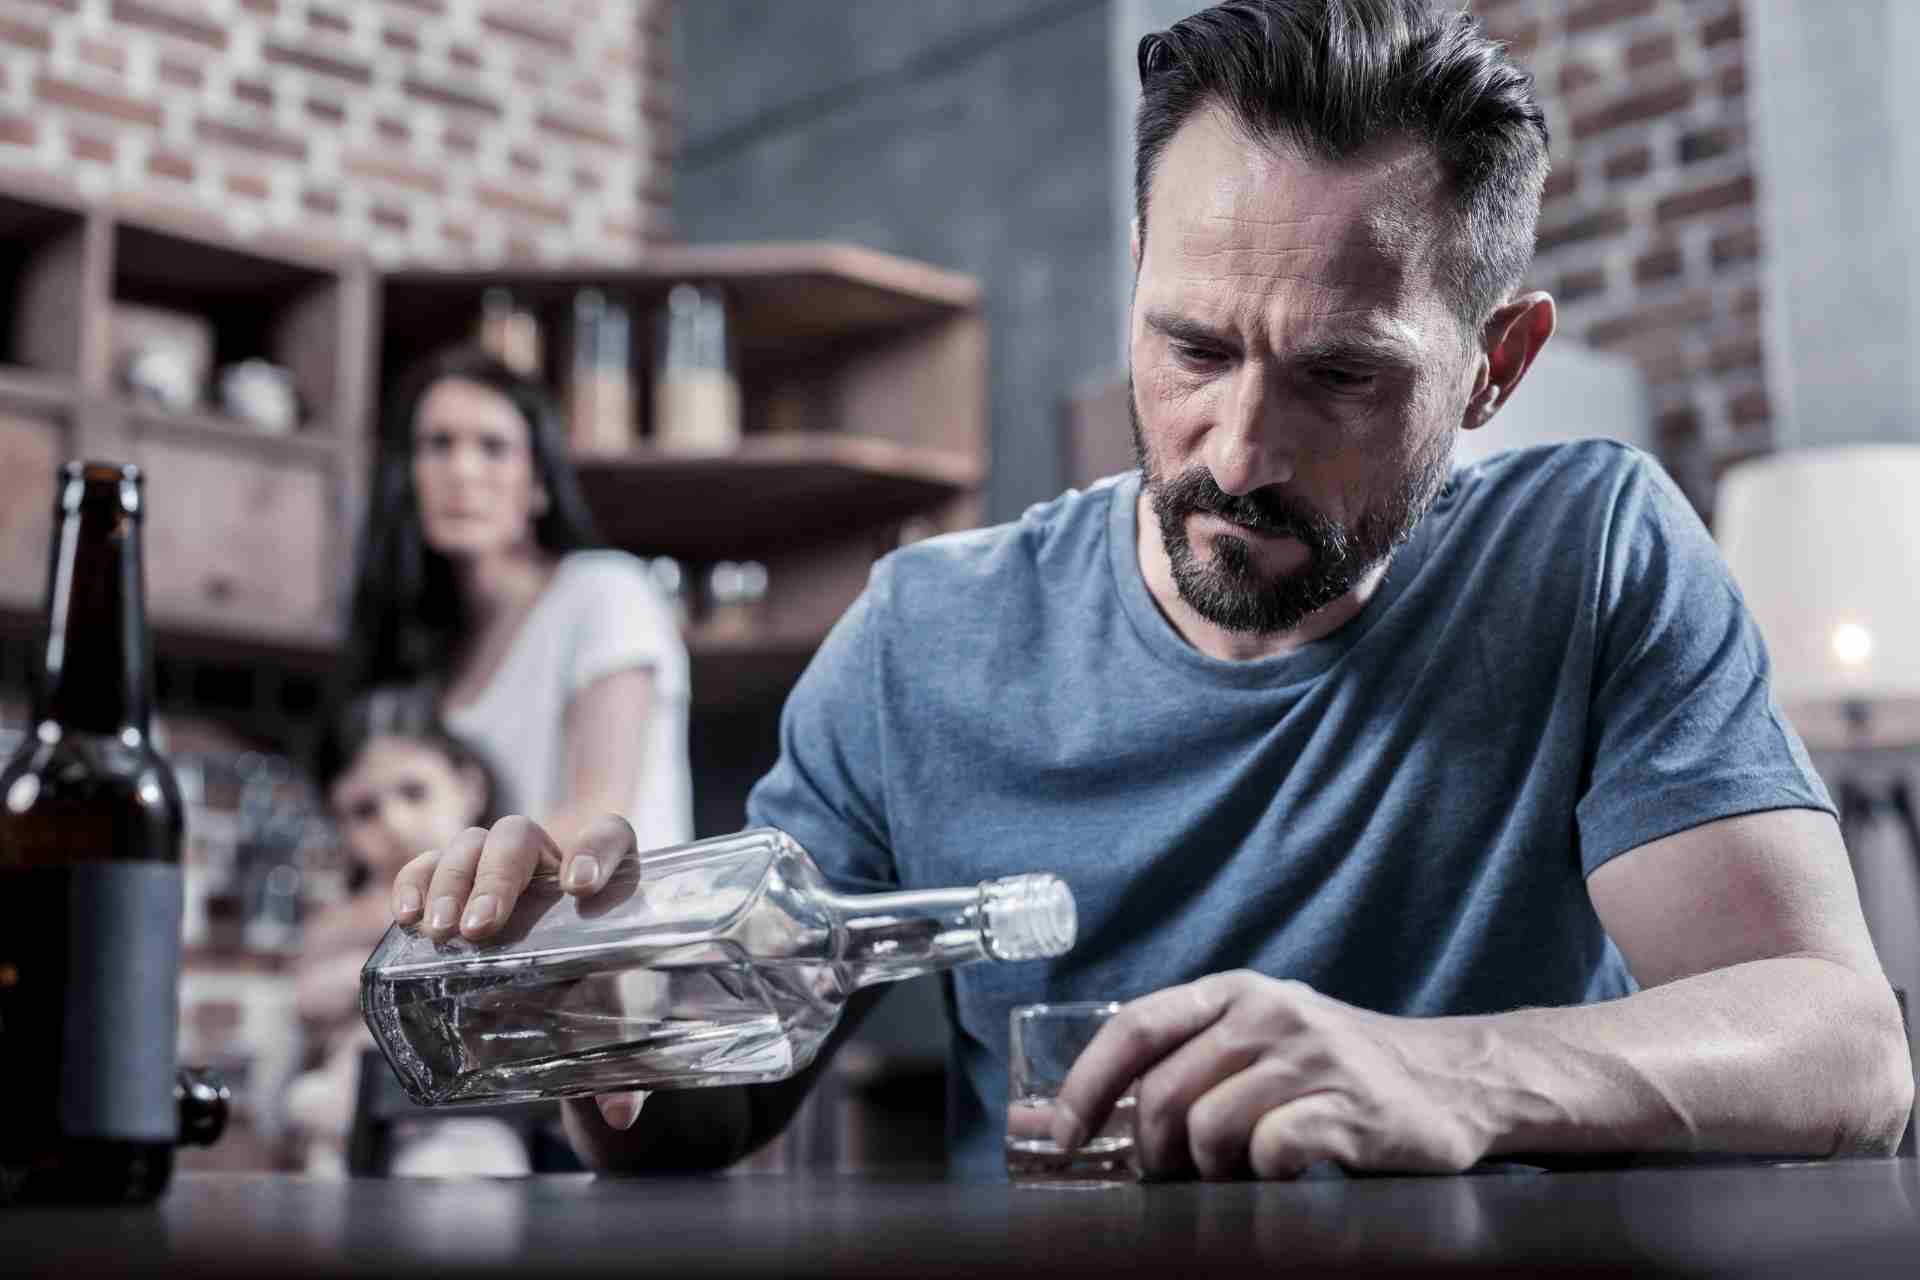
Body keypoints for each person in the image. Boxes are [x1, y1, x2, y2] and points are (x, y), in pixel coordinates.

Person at [387, 0, 1914, 1182]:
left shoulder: (1585, 558)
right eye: (1193, 346)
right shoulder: (926, 641)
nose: (1238, 452)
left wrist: (1451, 1074)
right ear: (1133, 272)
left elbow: (1846, 1049)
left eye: (1340, 376)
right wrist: (597, 1005)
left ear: (1495, 365)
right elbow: (699, 1121)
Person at [340, 344, 693, 875]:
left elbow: (595, 821)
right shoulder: (437, 653)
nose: (462, 471)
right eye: (438, 445)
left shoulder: (605, 593)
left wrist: (378, 907)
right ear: (407, 477)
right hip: (500, 924)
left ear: (539, 483)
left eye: (493, 447)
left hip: (627, 923)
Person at [286, 688, 528, 1176]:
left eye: (415, 792)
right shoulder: (336, 919)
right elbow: (306, 999)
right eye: (363, 811)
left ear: (469, 788)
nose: (394, 824)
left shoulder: (503, 892)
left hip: (466, 1133)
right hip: (348, 1137)